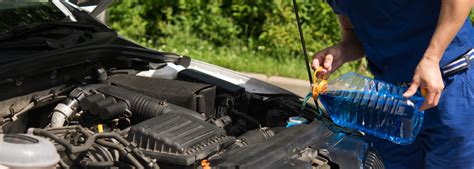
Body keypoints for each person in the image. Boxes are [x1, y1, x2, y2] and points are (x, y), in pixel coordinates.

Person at [312, 0, 474, 168]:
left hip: (450, 86)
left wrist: (432, 57)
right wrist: (342, 51)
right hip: (389, 101)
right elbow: (352, 33)